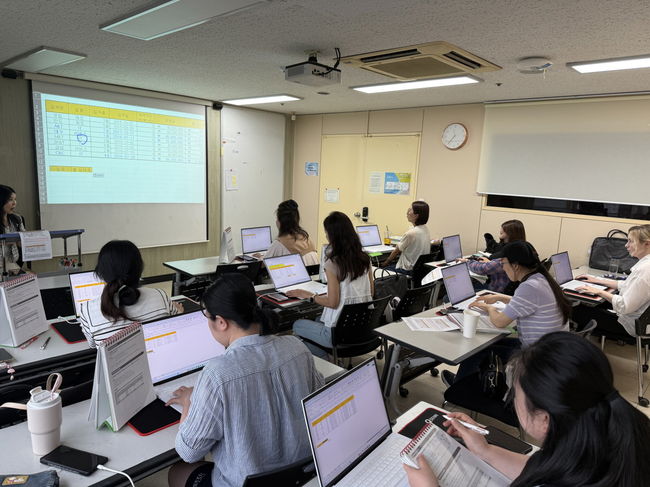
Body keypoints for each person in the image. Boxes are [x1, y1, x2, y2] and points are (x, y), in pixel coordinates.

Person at [405, 332, 650, 487]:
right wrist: (485, 450)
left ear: (544, 419)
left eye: (514, 394)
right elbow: (546, 468)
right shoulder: (605, 436)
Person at [167, 273, 325, 487]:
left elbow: (188, 452)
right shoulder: (297, 347)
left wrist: (189, 401)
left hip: (244, 483)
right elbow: (319, 405)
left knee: (177, 471)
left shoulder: (217, 373)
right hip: (301, 476)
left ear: (221, 322)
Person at [444, 240, 571, 384]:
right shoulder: (541, 278)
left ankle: (459, 388)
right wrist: (500, 297)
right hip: (550, 351)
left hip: (536, 357)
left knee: (477, 350)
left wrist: (489, 308)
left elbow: (500, 322)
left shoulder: (529, 287)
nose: (503, 268)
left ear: (515, 265)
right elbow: (528, 302)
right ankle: (465, 382)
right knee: (487, 345)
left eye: (503, 263)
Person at [290, 211, 374, 358]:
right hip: (363, 331)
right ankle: (327, 356)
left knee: (297, 325)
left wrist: (310, 296)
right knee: (318, 319)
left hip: (337, 335)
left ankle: (325, 360)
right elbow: (371, 293)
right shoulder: (365, 259)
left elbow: (333, 303)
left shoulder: (333, 263)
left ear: (333, 236)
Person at [79, 240, 180, 347]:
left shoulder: (87, 310)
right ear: (139, 269)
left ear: (101, 273)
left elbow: (92, 345)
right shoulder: (160, 296)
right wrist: (179, 311)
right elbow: (175, 326)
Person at [575, 224, 650, 341]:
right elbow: (626, 285)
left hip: (630, 325)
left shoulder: (645, 270)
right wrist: (597, 280)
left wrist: (598, 291)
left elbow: (624, 306)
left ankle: (576, 345)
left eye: (631, 241)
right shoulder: (646, 265)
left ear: (647, 244)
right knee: (590, 304)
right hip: (638, 318)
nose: (626, 245)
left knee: (576, 310)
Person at [459, 219, 526, 294]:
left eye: (503, 230)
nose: (500, 230)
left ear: (510, 234)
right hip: (506, 289)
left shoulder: (508, 255)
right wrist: (490, 262)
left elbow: (482, 269)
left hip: (497, 292)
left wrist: (467, 261)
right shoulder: (522, 250)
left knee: (460, 290)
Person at [262, 199, 318, 265]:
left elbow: (264, 264)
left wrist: (260, 258)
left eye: (277, 218)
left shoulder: (279, 243)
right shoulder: (307, 240)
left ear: (281, 222)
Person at [381, 200, 431, 274]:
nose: (407, 212)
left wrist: (385, 263)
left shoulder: (411, 233)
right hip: (418, 271)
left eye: (410, 210)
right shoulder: (425, 229)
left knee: (378, 270)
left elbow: (396, 251)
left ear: (416, 215)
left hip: (406, 270)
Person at [0, 185, 26, 276]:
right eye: (10, 200)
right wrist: (7, 241)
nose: (14, 203)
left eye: (15, 199)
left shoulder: (17, 218)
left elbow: (24, 240)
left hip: (13, 265)